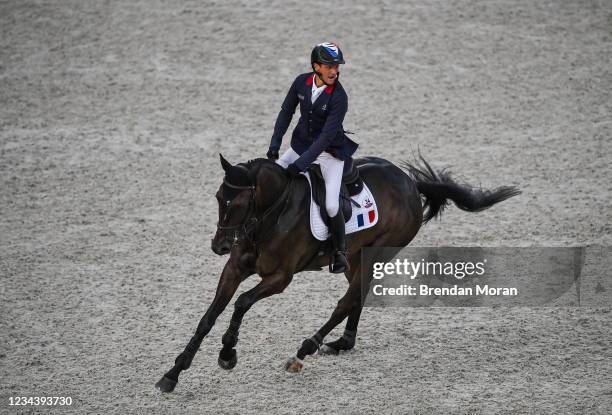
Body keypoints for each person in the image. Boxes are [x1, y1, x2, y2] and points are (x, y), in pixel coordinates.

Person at [266, 42, 358, 274]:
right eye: (329, 66)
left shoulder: (339, 97)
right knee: (273, 178)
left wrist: (301, 164)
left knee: (331, 204)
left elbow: (325, 138)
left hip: (330, 154)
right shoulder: (301, 82)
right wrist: (275, 145)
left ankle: (340, 252)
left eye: (336, 66)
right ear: (315, 66)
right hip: (300, 146)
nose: (334, 71)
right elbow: (286, 112)